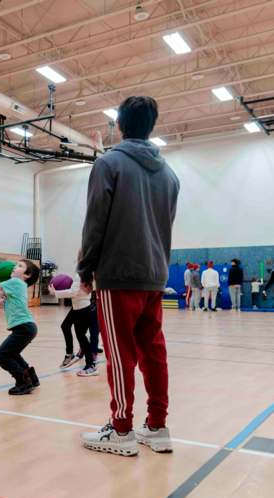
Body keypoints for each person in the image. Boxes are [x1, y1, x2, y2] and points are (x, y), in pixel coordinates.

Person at [77, 96, 179, 457]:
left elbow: (95, 222)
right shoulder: (170, 175)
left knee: (120, 355)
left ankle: (121, 430)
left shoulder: (109, 164)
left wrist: (86, 267)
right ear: (152, 125)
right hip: (154, 275)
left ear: (119, 125)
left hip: (118, 274)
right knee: (153, 352)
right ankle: (157, 426)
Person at [0, 260, 41, 395]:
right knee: (12, 353)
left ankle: (23, 382)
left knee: (1, 355)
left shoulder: (15, 283)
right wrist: (2, 292)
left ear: (27, 274)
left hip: (24, 327)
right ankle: (31, 377)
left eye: (20, 266)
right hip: (26, 327)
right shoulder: (17, 285)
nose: (14, 267)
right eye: (15, 265)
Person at [51, 270, 98, 376]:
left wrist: (56, 293)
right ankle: (70, 353)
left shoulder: (82, 274)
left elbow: (74, 292)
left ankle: (91, 365)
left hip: (83, 308)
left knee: (81, 336)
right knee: (65, 326)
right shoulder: (88, 273)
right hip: (78, 307)